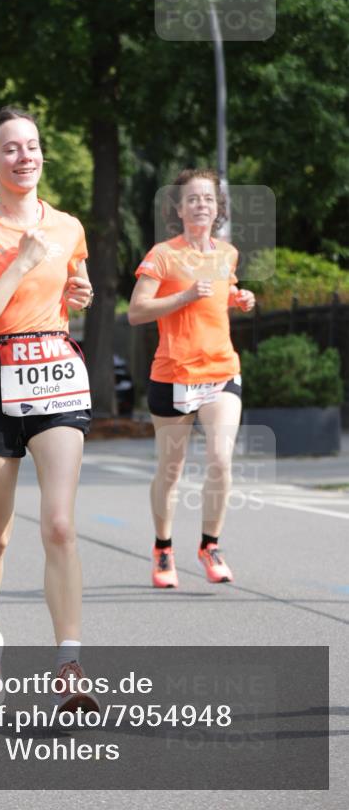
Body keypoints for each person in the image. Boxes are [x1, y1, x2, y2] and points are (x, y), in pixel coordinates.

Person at [0, 106, 98, 714]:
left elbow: (74, 291)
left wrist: (77, 293)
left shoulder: (68, 226)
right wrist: (21, 262)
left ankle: (70, 666)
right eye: (10, 149)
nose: (24, 156)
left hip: (57, 376)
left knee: (60, 524)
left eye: (32, 146)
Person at [128, 169, 255, 589]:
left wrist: (239, 297)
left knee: (220, 459)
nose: (202, 204)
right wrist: (183, 295)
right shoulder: (163, 255)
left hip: (221, 371)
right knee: (171, 468)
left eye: (209, 199)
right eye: (193, 199)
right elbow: (136, 311)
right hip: (173, 374)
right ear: (179, 209)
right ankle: (163, 548)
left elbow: (223, 290)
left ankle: (209, 545)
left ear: (218, 209)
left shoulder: (227, 254)